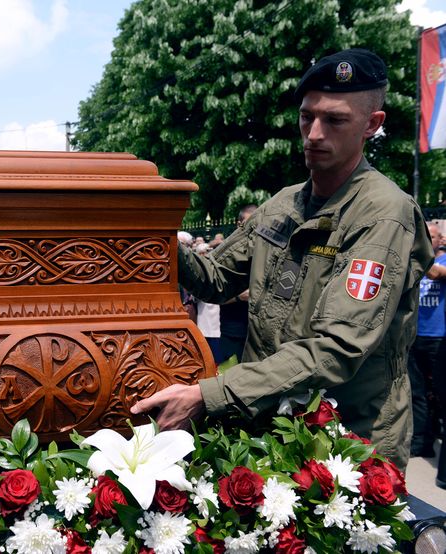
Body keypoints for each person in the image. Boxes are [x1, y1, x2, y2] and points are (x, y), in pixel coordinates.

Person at [132, 49, 434, 468]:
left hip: (345, 441)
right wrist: (149, 230)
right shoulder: (283, 205)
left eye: (335, 120)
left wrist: (210, 394)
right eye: (307, 117)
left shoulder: (383, 214)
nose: (314, 134)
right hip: (271, 423)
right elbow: (216, 279)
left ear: (372, 124)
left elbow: (337, 348)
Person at [408, 222, 446, 459]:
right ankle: (421, 442)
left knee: (439, 393)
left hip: (438, 338)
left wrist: (413, 250)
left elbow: (435, 273)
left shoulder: (438, 262)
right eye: (425, 236)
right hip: (416, 336)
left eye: (431, 236)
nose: (428, 240)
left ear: (441, 240)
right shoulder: (416, 261)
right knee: (417, 392)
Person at [218, 204, 257, 363]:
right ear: (239, 224)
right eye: (250, 224)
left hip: (257, 334)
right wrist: (240, 297)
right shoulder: (227, 254)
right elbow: (214, 297)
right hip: (233, 334)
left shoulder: (267, 253)